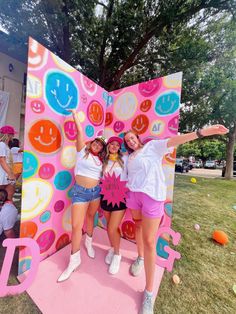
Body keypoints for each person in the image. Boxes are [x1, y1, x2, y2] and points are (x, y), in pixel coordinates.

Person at [123, 124, 228, 314]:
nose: (130, 141)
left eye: (132, 138)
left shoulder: (152, 147)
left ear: (138, 138)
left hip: (152, 197)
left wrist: (202, 132)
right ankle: (139, 258)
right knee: (137, 228)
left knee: (149, 241)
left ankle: (148, 292)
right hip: (133, 196)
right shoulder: (128, 158)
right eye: (127, 140)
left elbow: (175, 141)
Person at [58, 109, 106, 282]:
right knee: (77, 226)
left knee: (91, 217)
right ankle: (74, 260)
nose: (97, 145)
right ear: (91, 142)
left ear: (102, 149)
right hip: (79, 192)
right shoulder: (81, 151)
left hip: (95, 193)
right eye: (96, 142)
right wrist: (74, 114)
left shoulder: (101, 161)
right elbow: (80, 131)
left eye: (101, 145)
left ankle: (89, 243)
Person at [101, 136, 128, 274]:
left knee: (112, 228)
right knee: (109, 227)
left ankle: (117, 255)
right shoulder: (103, 160)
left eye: (117, 145)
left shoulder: (125, 160)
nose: (114, 146)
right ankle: (113, 247)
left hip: (119, 197)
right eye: (112, 144)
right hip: (105, 197)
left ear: (119, 148)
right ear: (108, 145)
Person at [0, 125, 17, 201]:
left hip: (5, 173)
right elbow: (2, 160)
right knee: (4, 195)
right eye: (12, 134)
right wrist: (10, 174)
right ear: (8, 135)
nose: (13, 136)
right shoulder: (2, 144)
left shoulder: (5, 145)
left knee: (6, 195)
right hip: (3, 173)